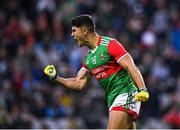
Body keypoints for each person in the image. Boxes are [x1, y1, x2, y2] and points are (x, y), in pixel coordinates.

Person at [44, 14, 149, 129]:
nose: (72, 35)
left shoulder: (109, 44)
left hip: (126, 94)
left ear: (84, 31)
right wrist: (55, 77)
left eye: (74, 31)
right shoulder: (88, 58)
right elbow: (78, 84)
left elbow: (131, 66)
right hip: (113, 99)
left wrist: (142, 89)